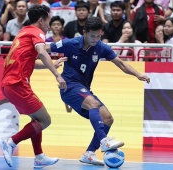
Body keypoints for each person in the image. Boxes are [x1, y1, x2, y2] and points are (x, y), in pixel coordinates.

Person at [48, 17, 150, 166]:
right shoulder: (71, 43)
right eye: (92, 36)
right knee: (93, 103)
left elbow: (121, 64)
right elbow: (44, 49)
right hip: (68, 86)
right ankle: (104, 141)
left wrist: (138, 74)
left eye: (98, 36)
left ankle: (89, 153)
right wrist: (50, 64)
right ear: (84, 32)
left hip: (84, 89)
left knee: (108, 118)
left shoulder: (102, 47)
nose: (95, 39)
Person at [0, 4, 67, 169]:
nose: (50, 23)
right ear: (42, 19)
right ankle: (10, 142)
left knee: (37, 119)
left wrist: (53, 64)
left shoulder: (24, 31)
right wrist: (57, 75)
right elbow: (43, 53)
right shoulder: (38, 32)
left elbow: (31, 61)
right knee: (45, 120)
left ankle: (39, 157)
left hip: (9, 83)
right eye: (49, 19)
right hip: (17, 83)